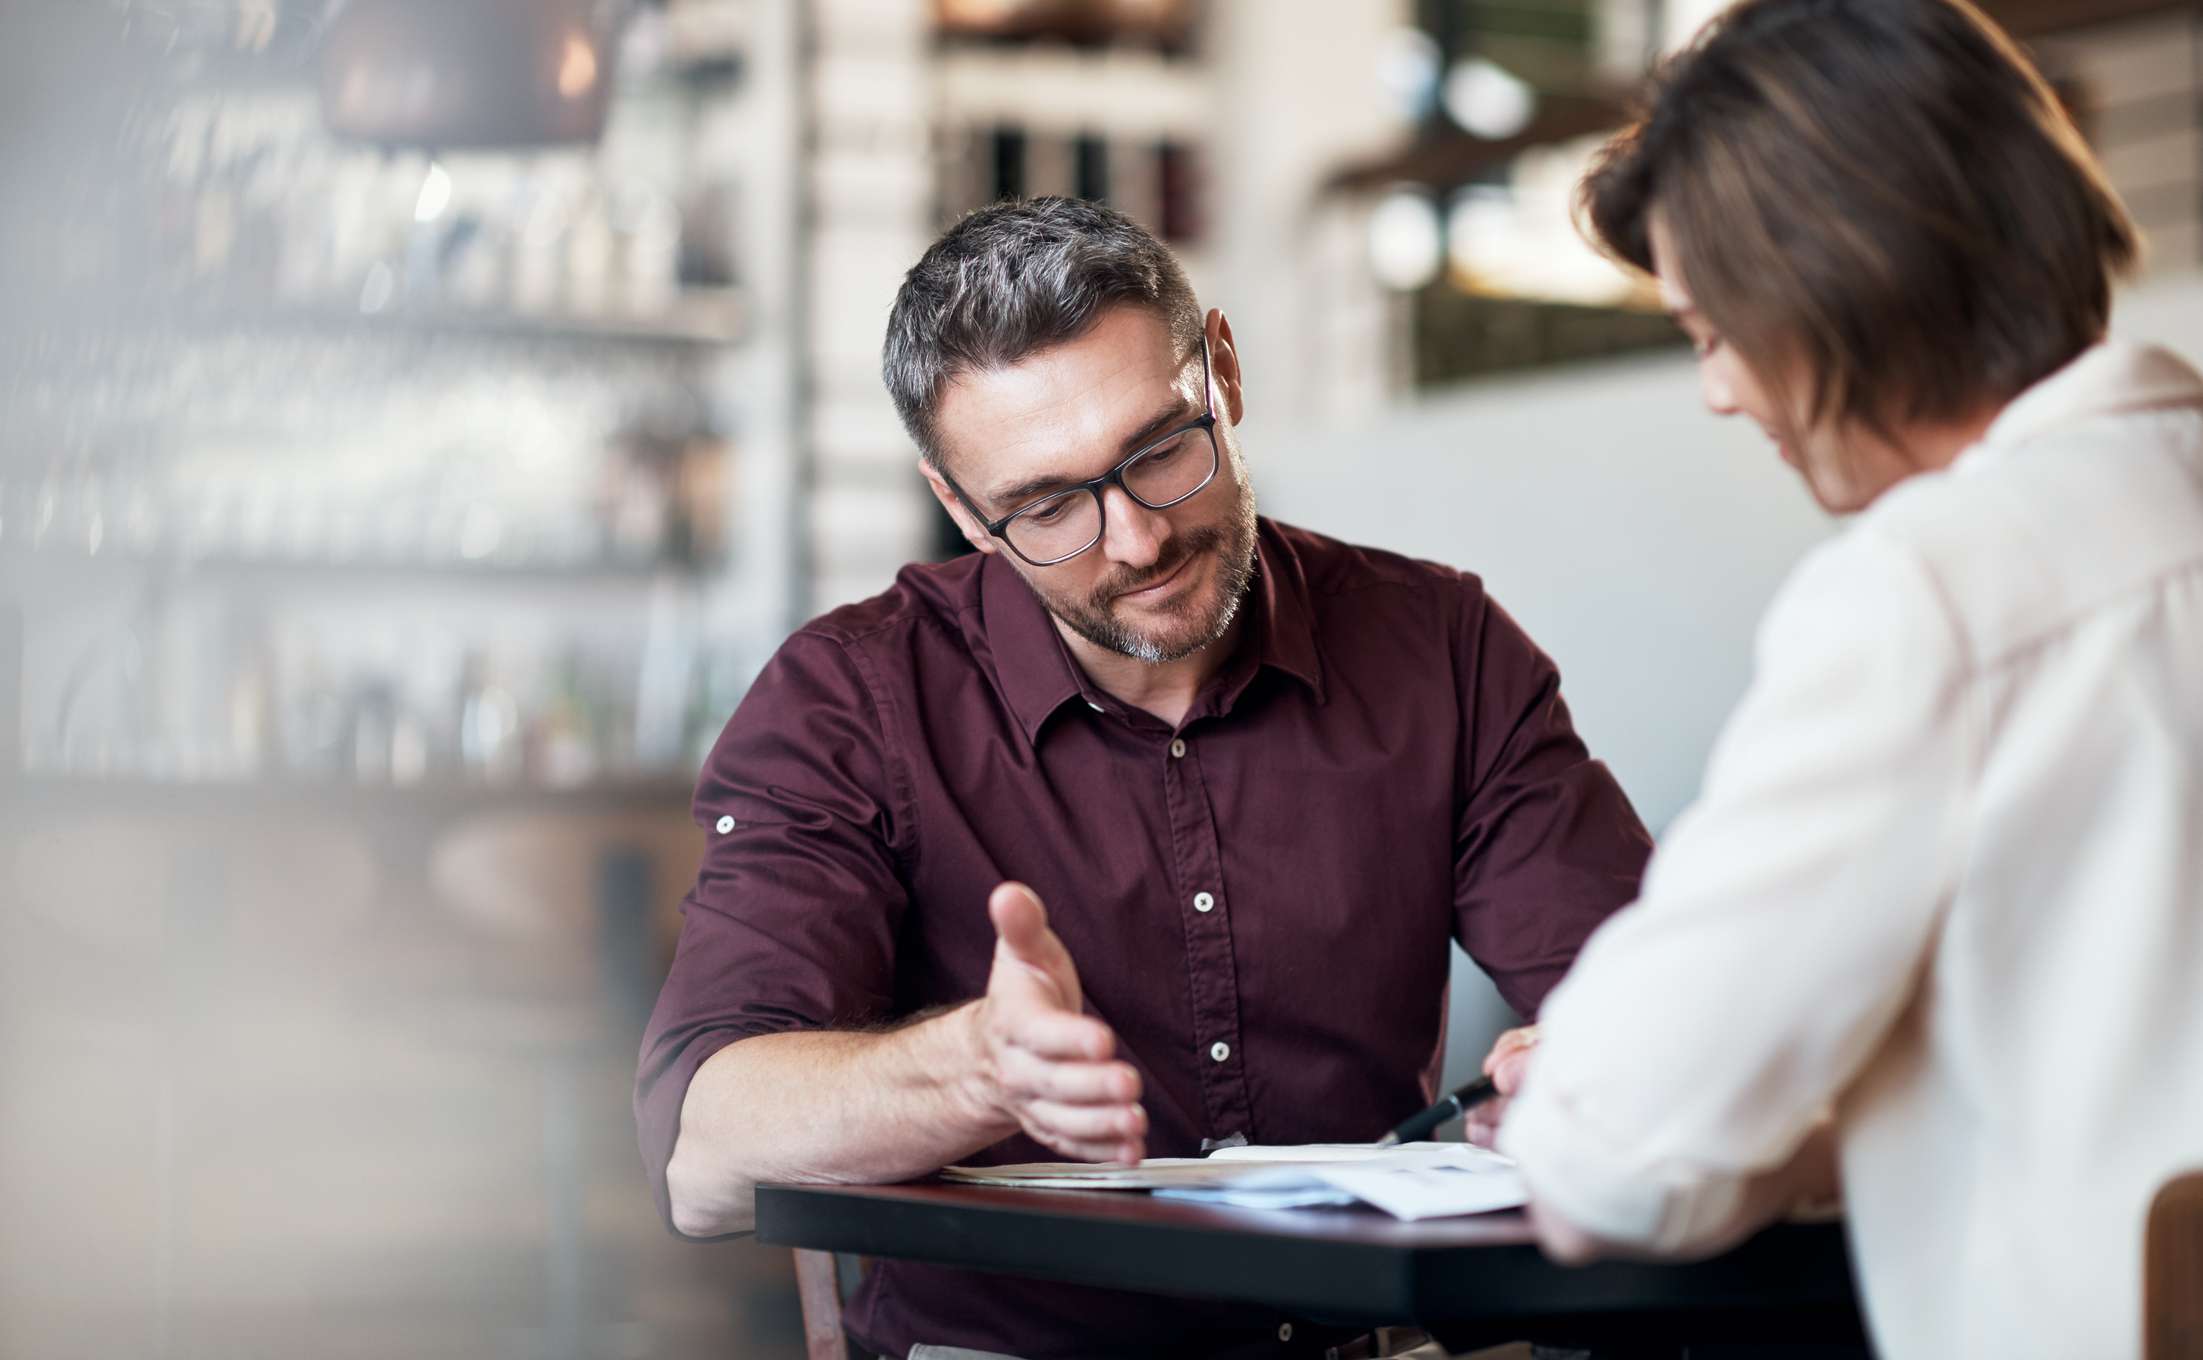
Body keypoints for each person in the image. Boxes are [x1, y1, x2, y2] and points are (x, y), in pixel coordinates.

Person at [636, 196, 1653, 1359]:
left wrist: (1589, 1072)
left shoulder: (1442, 647)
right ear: (961, 506)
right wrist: (975, 1069)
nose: (1134, 542)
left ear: (1220, 368)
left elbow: (1663, 1016)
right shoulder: (847, 701)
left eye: (1160, 452)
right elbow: (703, 1162)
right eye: (1048, 506)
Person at [1483, 2, 2203, 1357]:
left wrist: (1579, 1087)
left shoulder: (1931, 593)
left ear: (1826, 294)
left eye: (1707, 334)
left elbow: (1612, 1167)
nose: (1715, 394)